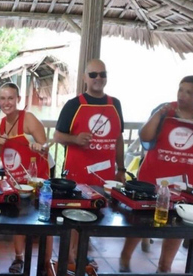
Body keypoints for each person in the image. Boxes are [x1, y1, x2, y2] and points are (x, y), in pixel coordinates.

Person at [120, 75, 193, 273]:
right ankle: (125, 257)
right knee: (140, 219)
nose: (183, 95)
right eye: (181, 90)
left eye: (189, 92)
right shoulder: (164, 109)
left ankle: (164, 266)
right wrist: (159, 115)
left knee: (178, 223)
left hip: (186, 181)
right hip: (154, 176)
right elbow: (145, 137)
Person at [54, 59, 125, 270]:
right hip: (77, 172)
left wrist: (121, 169)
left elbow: (118, 139)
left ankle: (81, 254)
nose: (98, 79)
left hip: (104, 173)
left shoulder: (115, 103)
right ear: (85, 78)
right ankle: (68, 258)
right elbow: (57, 136)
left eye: (102, 74)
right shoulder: (73, 104)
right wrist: (75, 139)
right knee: (73, 215)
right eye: (93, 75)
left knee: (96, 215)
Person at [0, 82, 54, 274]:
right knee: (18, 219)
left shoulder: (28, 119)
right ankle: (19, 258)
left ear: (18, 100)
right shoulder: (1, 123)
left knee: (45, 220)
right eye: (3, 98)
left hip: (37, 178)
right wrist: (0, 143)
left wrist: (38, 145)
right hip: (15, 180)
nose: (7, 102)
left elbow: (45, 147)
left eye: (10, 98)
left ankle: (46, 262)